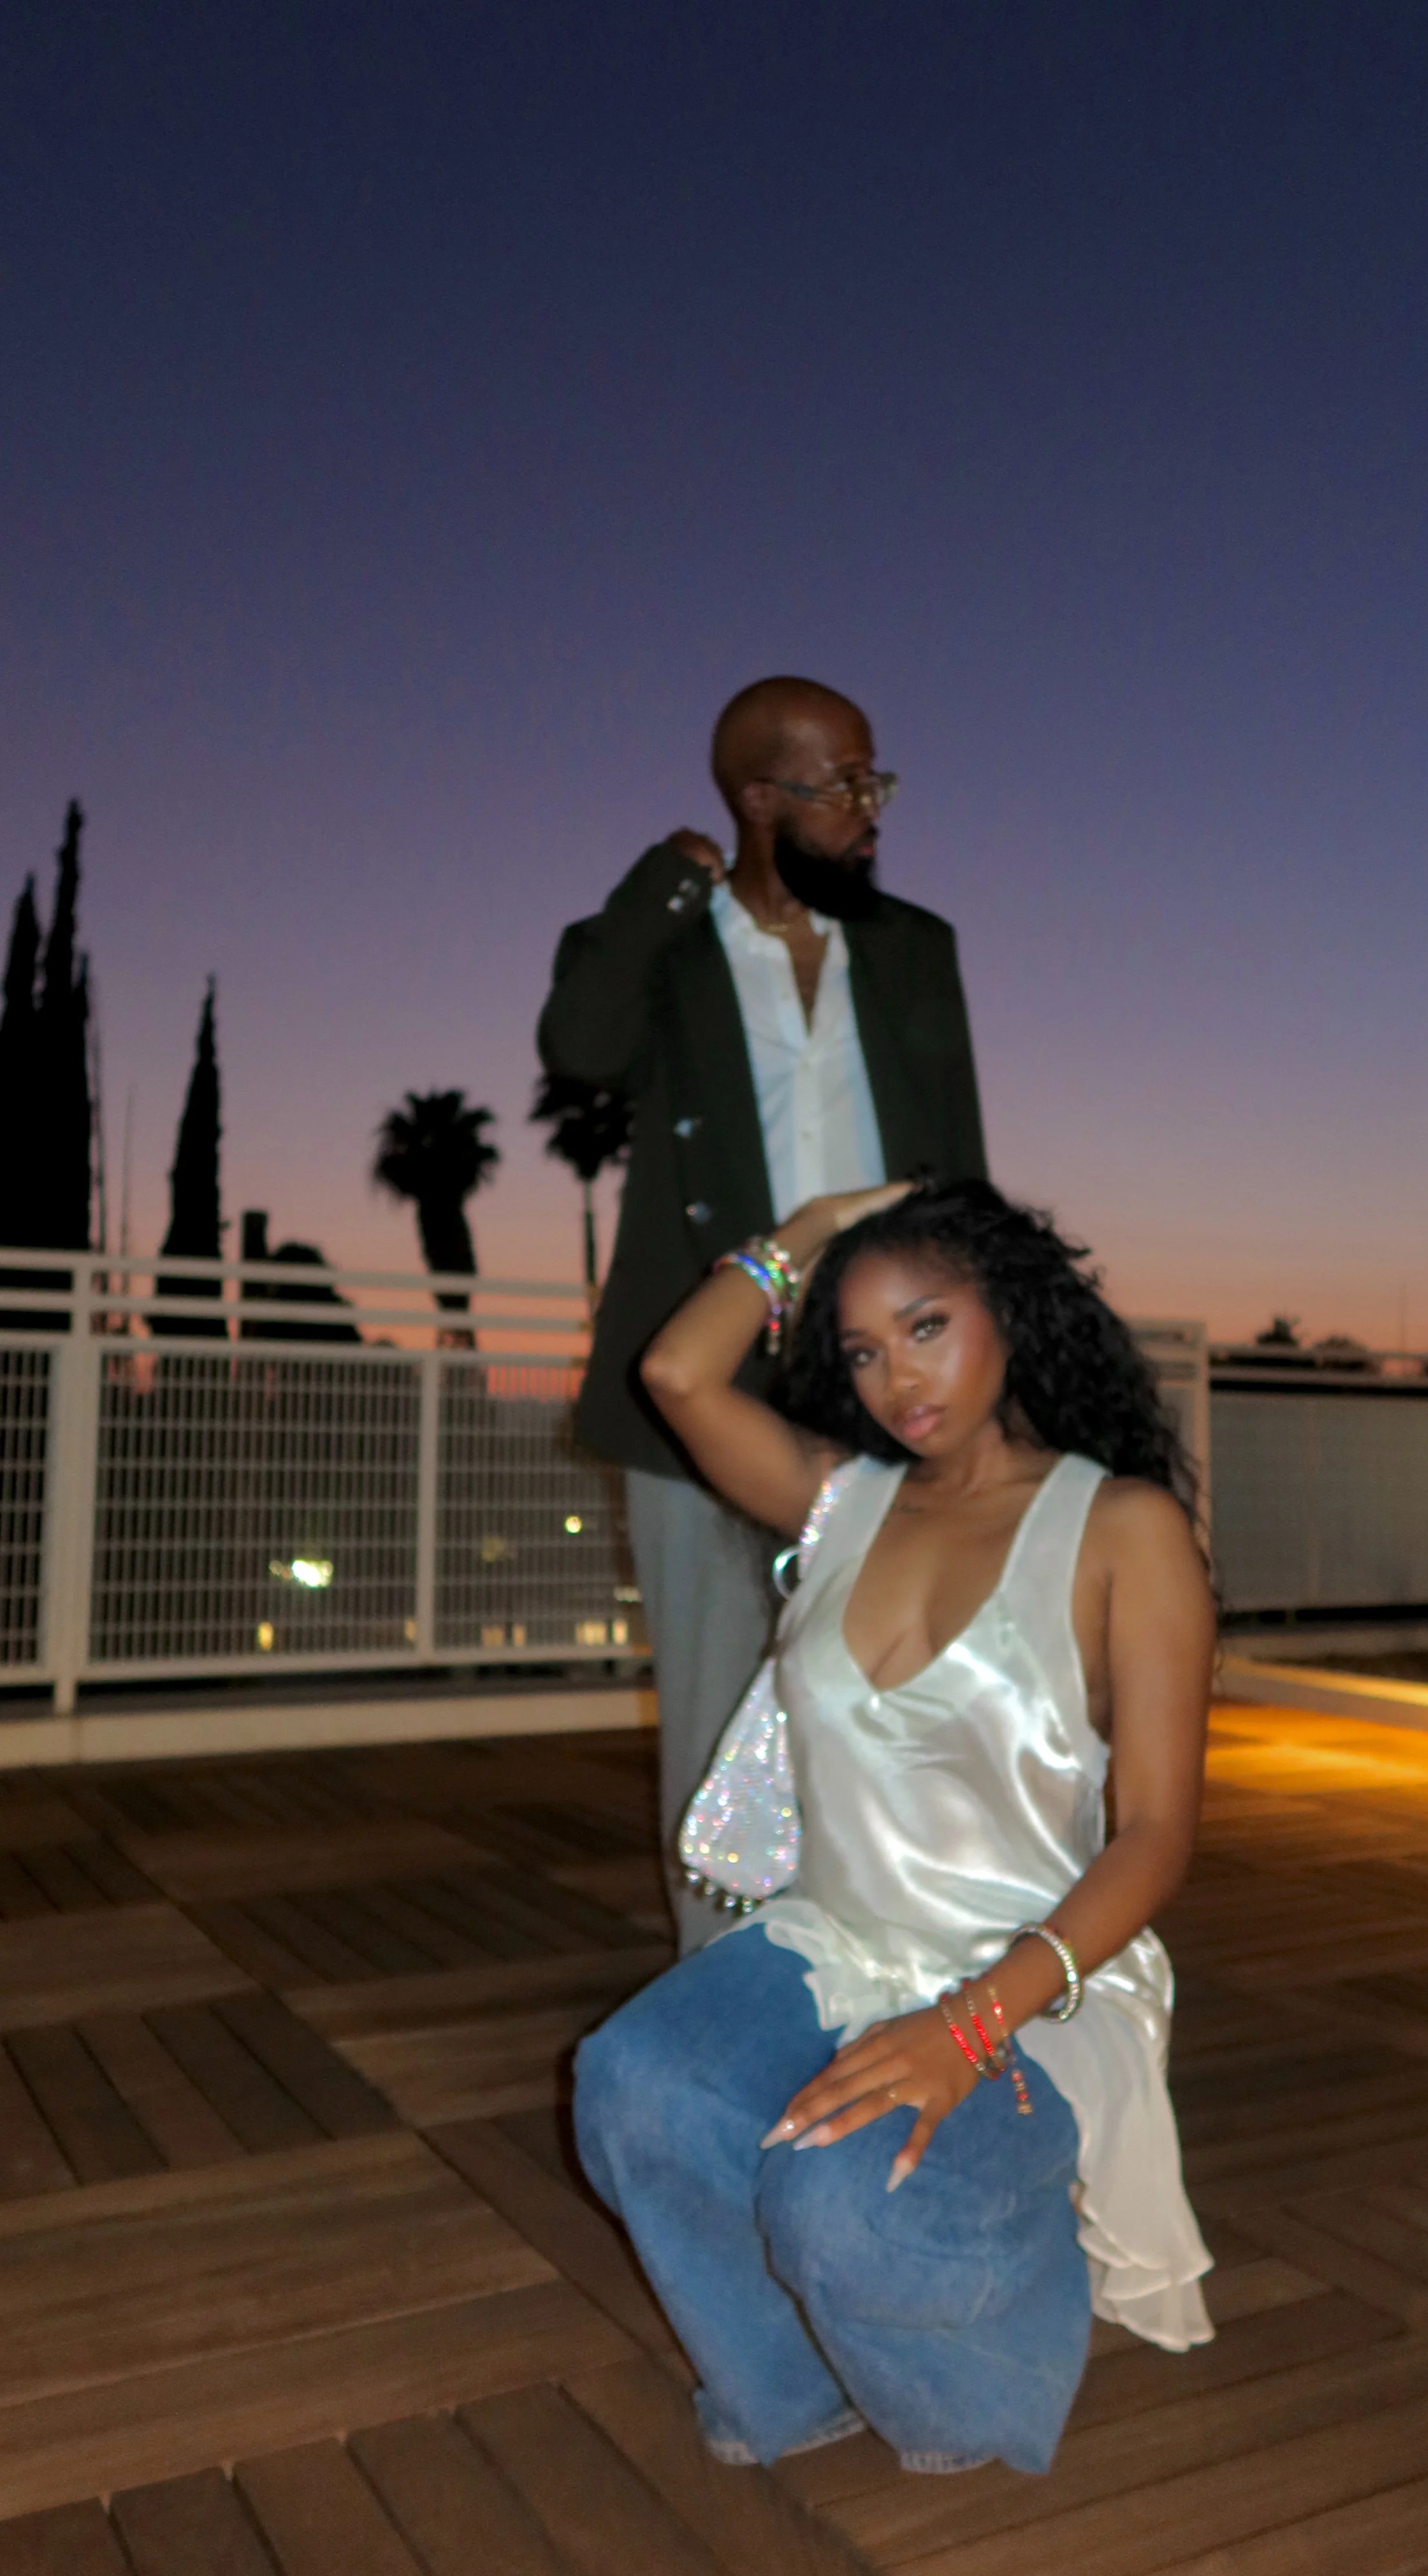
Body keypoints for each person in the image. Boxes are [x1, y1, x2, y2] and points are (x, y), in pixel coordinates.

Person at [573, 1178, 1216, 2475]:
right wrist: (813, 1229)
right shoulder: (838, 1500)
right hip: (840, 1940)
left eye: (925, 1325)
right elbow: (675, 1370)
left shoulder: (1121, 1527)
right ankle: (786, 2381)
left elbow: (1152, 1833)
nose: (892, 1378)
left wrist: (972, 2021)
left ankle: (989, 2361)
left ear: (1011, 1311)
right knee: (631, 2084)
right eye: (860, 1348)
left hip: (1039, 1979)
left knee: (840, 2205)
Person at [537, 677, 987, 1945]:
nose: (868, 809)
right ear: (757, 799)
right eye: (840, 784)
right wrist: (655, 891)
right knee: (714, 1703)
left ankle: (883, 1968)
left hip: (881, 1374)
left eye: (871, 780)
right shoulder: (669, 944)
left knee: (901, 1693)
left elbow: (959, 1162)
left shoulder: (914, 947)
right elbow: (577, 1041)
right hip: (710, 1372)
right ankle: (720, 1998)